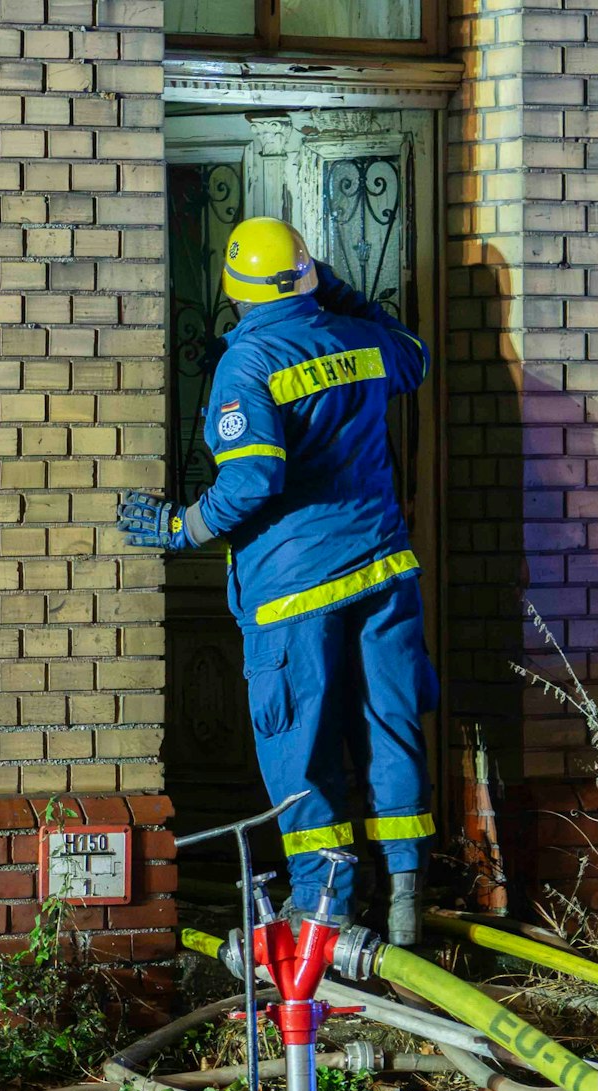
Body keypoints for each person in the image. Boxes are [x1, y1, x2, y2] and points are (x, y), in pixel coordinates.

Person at [119, 216, 437, 946]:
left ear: (234, 290)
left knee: (300, 744)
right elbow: (415, 359)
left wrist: (181, 528)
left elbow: (254, 476)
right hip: (387, 571)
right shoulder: (357, 337)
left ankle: (324, 907)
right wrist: (338, 291)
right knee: (391, 727)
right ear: (309, 273)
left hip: (296, 590)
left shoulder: (248, 361)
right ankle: (405, 901)